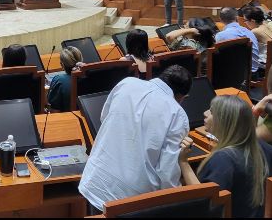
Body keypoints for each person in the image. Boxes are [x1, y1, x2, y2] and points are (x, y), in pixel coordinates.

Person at [78, 65, 192, 211]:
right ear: (182, 97)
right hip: (132, 198)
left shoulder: (126, 83)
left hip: (96, 179)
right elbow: (167, 172)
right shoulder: (178, 114)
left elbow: (104, 118)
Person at [179, 95, 272, 218]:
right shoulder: (258, 145)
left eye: (212, 112)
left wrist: (183, 162)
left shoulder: (221, 159)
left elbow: (204, 204)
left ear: (225, 122)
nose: (205, 113)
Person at [215, 7, 262, 79]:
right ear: (237, 18)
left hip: (236, 77)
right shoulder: (249, 32)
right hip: (254, 73)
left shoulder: (220, 36)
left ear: (220, 20)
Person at [47, 46, 84, 111]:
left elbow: (54, 111)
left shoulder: (59, 80)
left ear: (62, 65)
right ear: (81, 60)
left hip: (69, 117)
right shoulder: (91, 76)